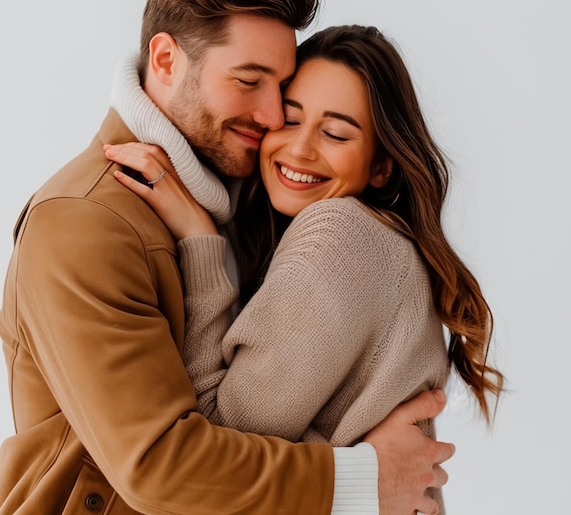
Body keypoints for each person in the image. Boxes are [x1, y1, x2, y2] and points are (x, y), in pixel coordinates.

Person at [0, 0, 454, 515]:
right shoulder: (88, 221)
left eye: (281, 86)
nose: (273, 116)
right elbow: (164, 466)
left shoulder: (249, 203)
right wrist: (365, 477)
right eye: (248, 80)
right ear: (165, 60)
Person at [106, 25, 505, 515]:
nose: (299, 149)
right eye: (289, 120)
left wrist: (199, 241)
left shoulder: (339, 235)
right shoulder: (381, 242)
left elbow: (217, 447)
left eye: (336, 133)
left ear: (381, 166)